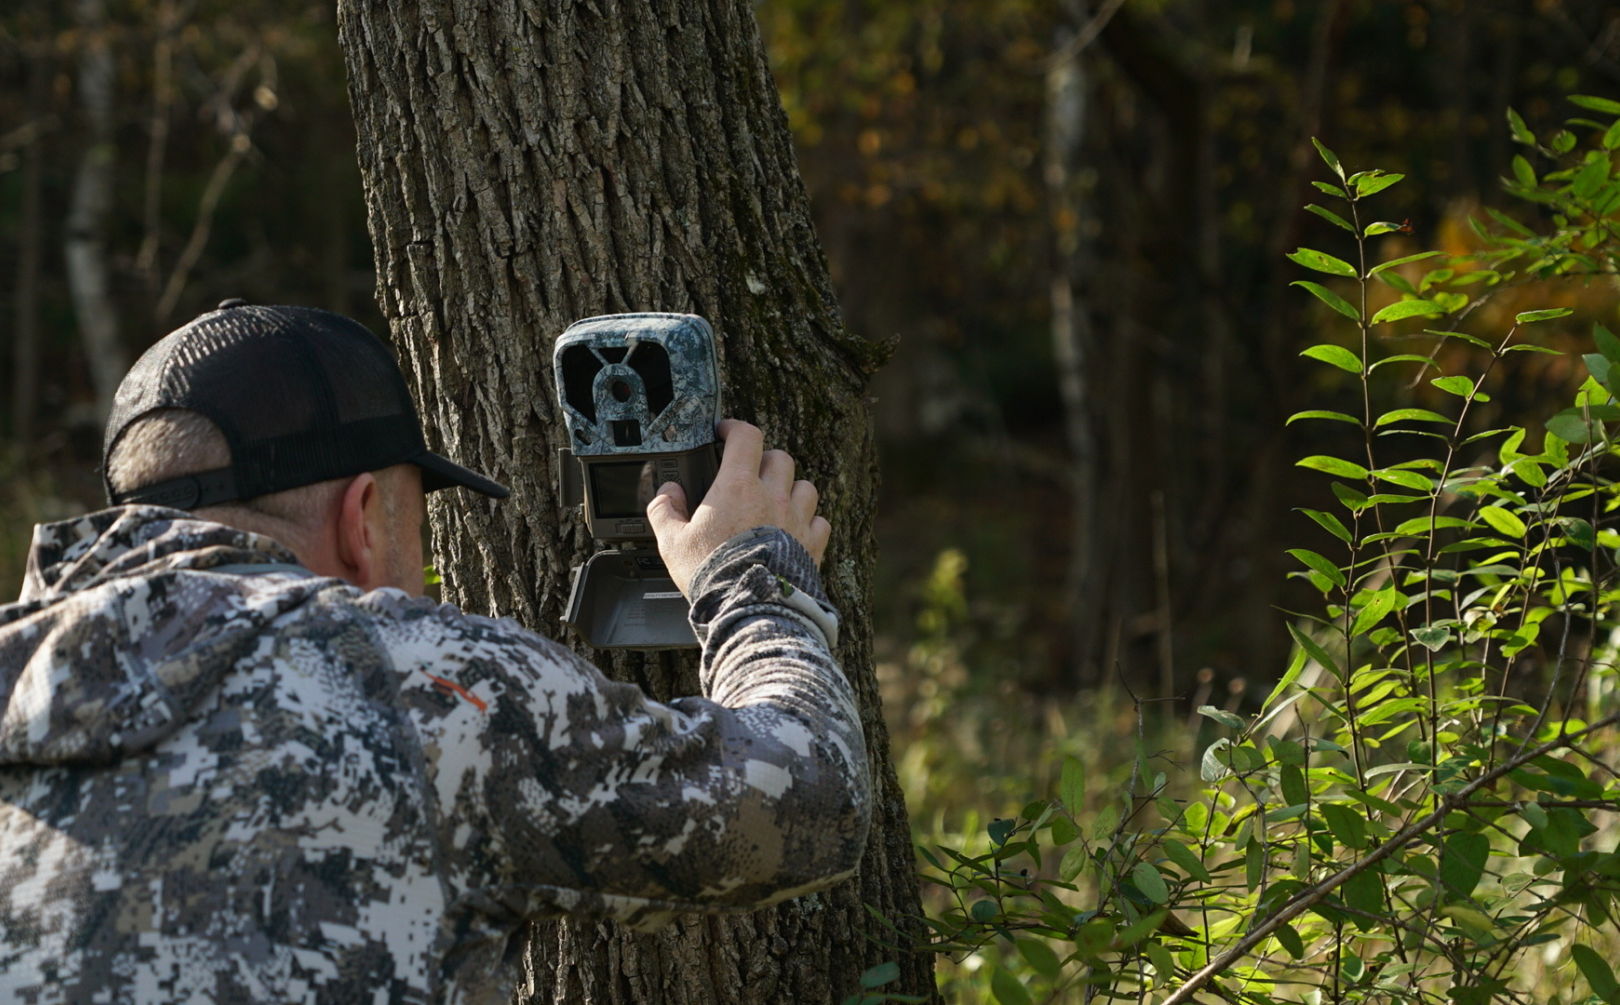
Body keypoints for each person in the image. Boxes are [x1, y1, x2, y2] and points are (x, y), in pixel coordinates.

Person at [0, 302, 870, 1004]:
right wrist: (753, 575)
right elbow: (809, 800)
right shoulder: (412, 684)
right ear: (363, 517)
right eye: (419, 522)